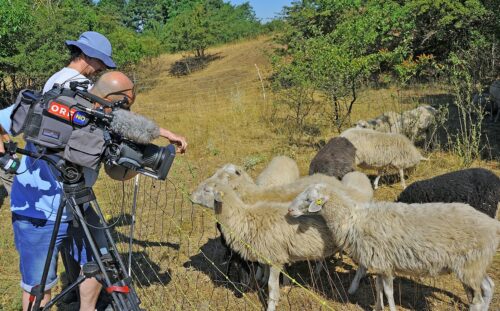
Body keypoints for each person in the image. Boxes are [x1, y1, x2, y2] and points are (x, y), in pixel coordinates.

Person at [0, 31, 186, 310]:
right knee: (40, 287)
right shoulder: (73, 89)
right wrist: (161, 132)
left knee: (101, 258)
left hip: (75, 198)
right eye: (100, 64)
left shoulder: (56, 85)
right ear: (88, 57)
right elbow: (115, 117)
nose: (101, 70)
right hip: (39, 209)